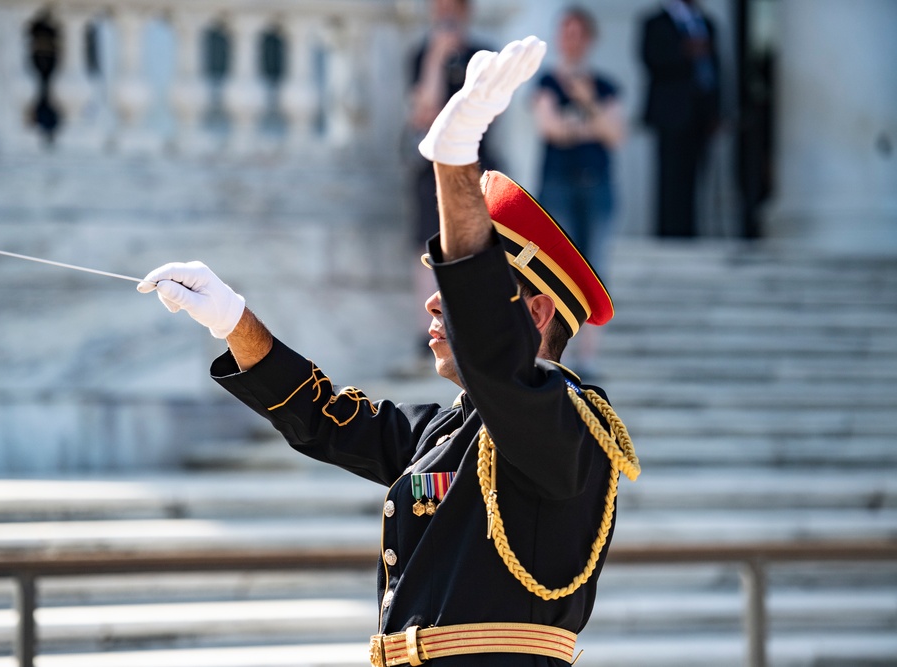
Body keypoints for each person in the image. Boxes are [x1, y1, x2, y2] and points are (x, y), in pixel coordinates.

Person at [138, 37, 638, 666]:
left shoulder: (567, 422)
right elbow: (327, 419)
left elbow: (497, 360)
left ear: (534, 314)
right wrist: (236, 323)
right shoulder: (452, 431)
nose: (434, 302)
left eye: (455, 288)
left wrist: (453, 164)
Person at [533, 5, 625, 377]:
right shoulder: (546, 83)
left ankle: (589, 358)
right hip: (557, 185)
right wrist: (592, 124)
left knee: (595, 268)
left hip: (597, 185)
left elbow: (616, 134)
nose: (569, 40)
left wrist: (584, 103)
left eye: (577, 33)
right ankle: (558, 354)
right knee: (555, 269)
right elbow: (550, 129)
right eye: (564, 32)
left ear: (588, 39)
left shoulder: (603, 86)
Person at [406, 0, 497, 350]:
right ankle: (426, 333)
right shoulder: (420, 56)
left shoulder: (482, 56)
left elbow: (487, 114)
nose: (445, 11)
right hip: (430, 168)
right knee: (426, 249)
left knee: (474, 248)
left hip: (475, 164)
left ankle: (471, 329)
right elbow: (422, 111)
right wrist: (435, 58)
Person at [639, 0, 720, 238]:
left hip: (700, 114)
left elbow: (716, 70)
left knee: (695, 176)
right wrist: (684, 50)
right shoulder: (655, 22)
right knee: (670, 176)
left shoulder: (707, 23)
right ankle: (668, 232)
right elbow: (650, 59)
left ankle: (690, 231)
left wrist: (716, 110)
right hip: (670, 113)